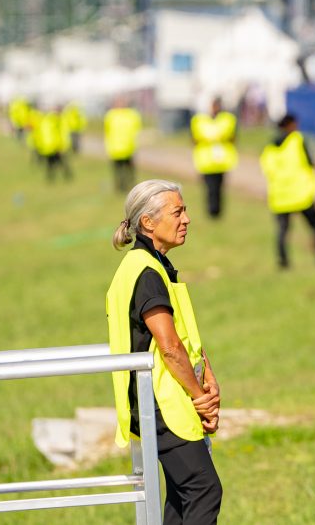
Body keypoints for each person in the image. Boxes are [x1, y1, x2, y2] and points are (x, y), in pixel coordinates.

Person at [107, 180, 222, 524]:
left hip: (168, 399)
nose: (187, 218)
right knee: (204, 489)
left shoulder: (152, 264)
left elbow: (183, 337)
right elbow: (169, 348)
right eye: (178, 211)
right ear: (148, 223)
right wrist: (200, 396)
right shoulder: (145, 272)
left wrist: (208, 377)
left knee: (181, 497)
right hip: (162, 403)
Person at [259, 114, 315, 269]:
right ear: (291, 125)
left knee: (282, 232)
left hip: (280, 197)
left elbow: (267, 170)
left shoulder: (269, 148)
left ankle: (283, 262)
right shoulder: (297, 140)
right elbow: (312, 163)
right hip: (301, 194)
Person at [190, 97, 238, 219]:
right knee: (209, 188)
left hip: (221, 162)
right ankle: (211, 211)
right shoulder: (199, 120)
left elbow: (232, 137)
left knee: (219, 188)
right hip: (206, 162)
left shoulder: (227, 119)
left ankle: (217, 211)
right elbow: (194, 139)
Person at [104, 99, 142, 193]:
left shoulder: (131, 114)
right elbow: (107, 131)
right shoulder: (110, 115)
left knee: (130, 170)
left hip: (128, 147)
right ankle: (120, 187)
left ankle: (132, 186)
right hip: (115, 149)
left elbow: (137, 127)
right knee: (118, 171)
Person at [37, 108, 72, 182]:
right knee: (54, 163)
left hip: (52, 146)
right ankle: (54, 178)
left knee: (57, 163)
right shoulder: (52, 121)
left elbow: (61, 134)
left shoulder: (46, 121)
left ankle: (62, 176)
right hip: (52, 146)